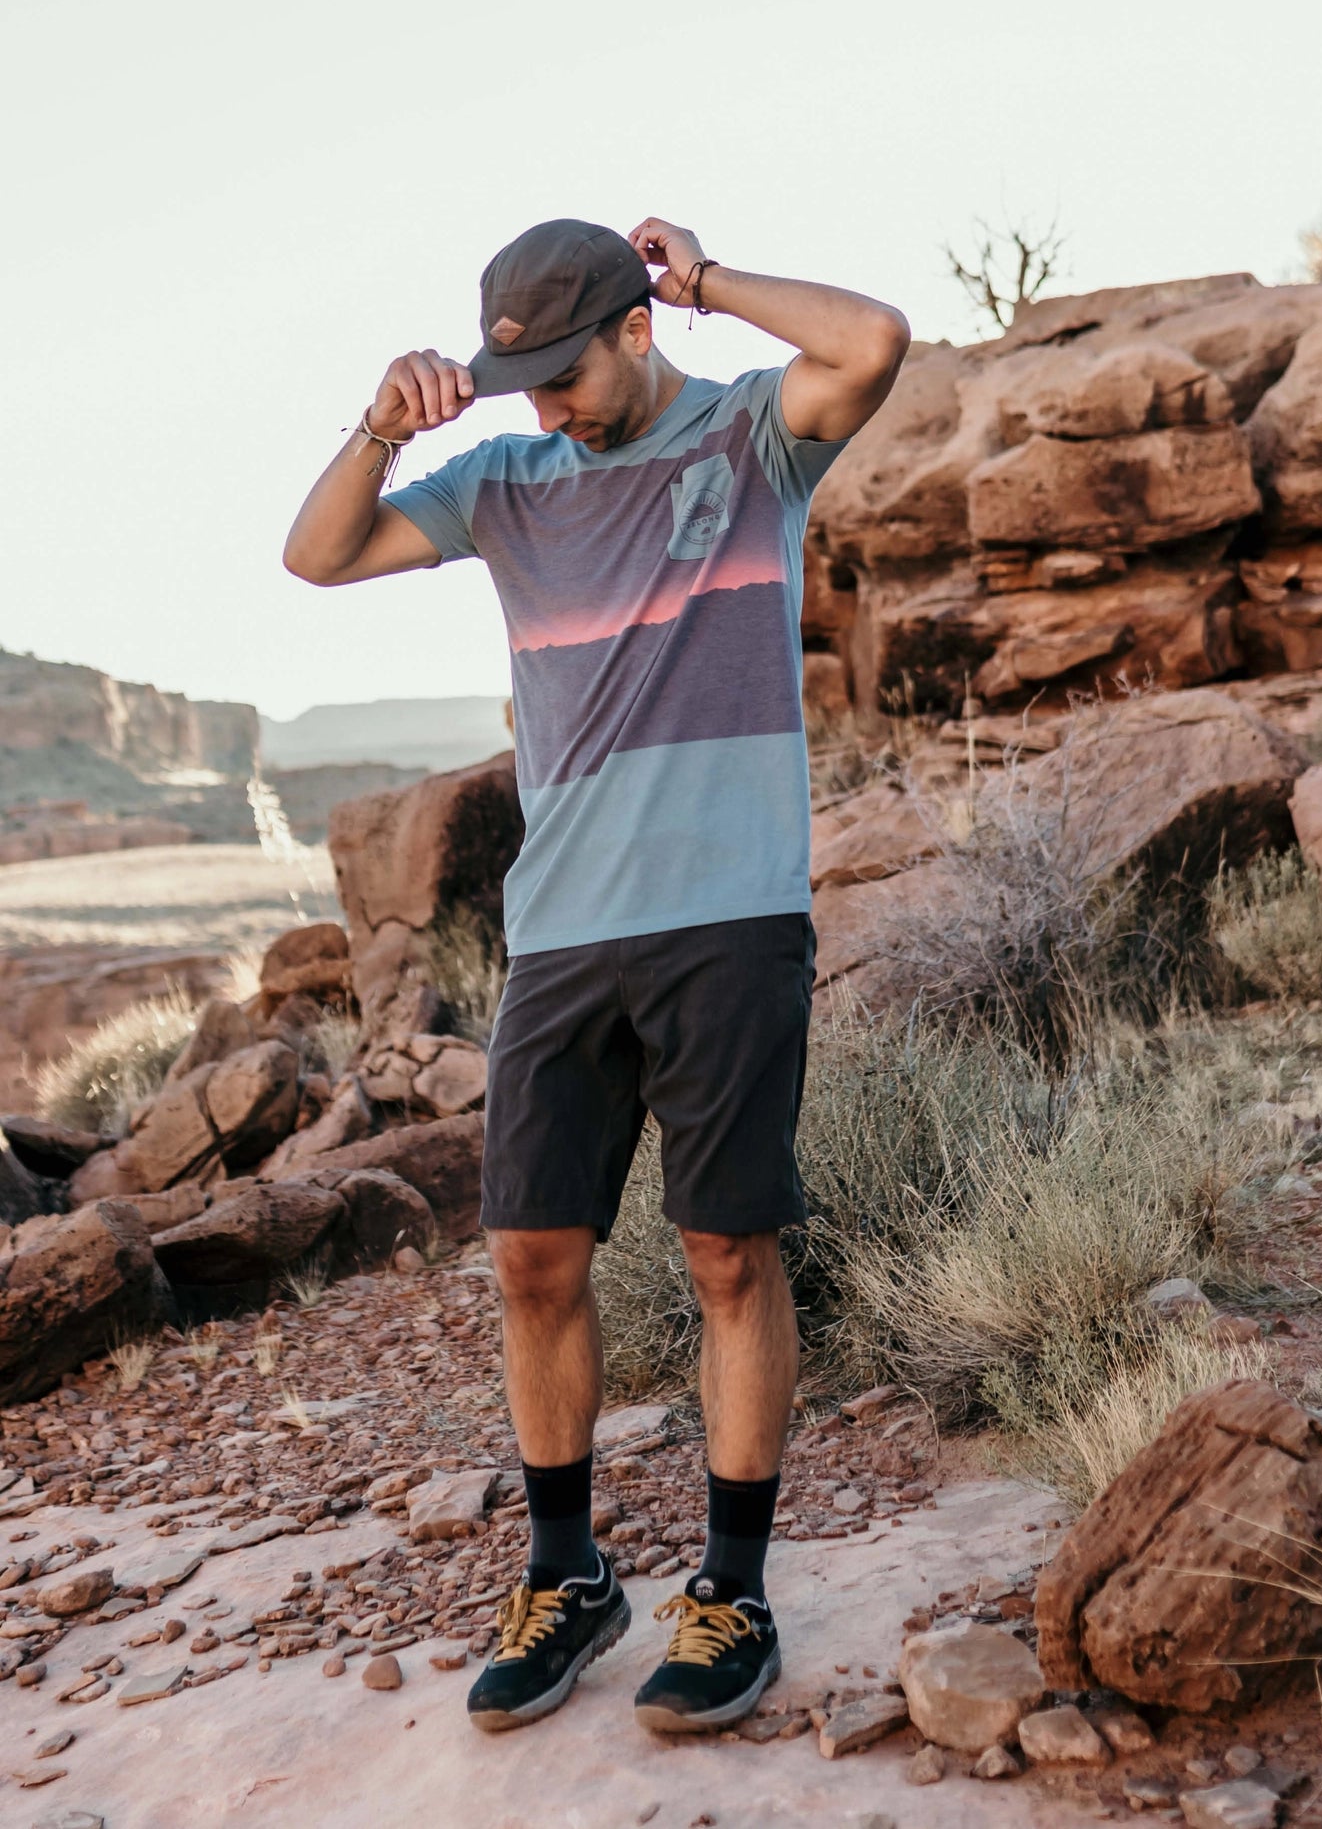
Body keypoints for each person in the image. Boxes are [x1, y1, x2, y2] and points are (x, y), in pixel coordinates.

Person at [284, 216, 910, 1733]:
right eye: (524, 384)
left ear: (636, 329)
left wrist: (706, 281)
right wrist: (382, 424)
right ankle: (567, 1577)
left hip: (728, 919)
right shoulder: (502, 482)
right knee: (531, 1259)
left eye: (565, 375)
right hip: (560, 932)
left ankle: (733, 1592)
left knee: (727, 1257)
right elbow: (318, 554)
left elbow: (874, 342)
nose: (549, 408)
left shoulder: (754, 443)